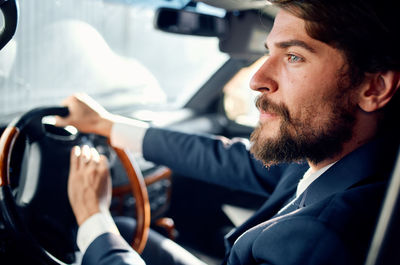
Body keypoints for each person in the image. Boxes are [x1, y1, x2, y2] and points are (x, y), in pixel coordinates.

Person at [56, 0, 400, 264]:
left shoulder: (318, 241)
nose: (256, 79)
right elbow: (231, 159)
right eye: (269, 52)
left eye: (294, 56)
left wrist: (93, 219)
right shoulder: (338, 157)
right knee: (129, 231)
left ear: (374, 89)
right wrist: (107, 125)